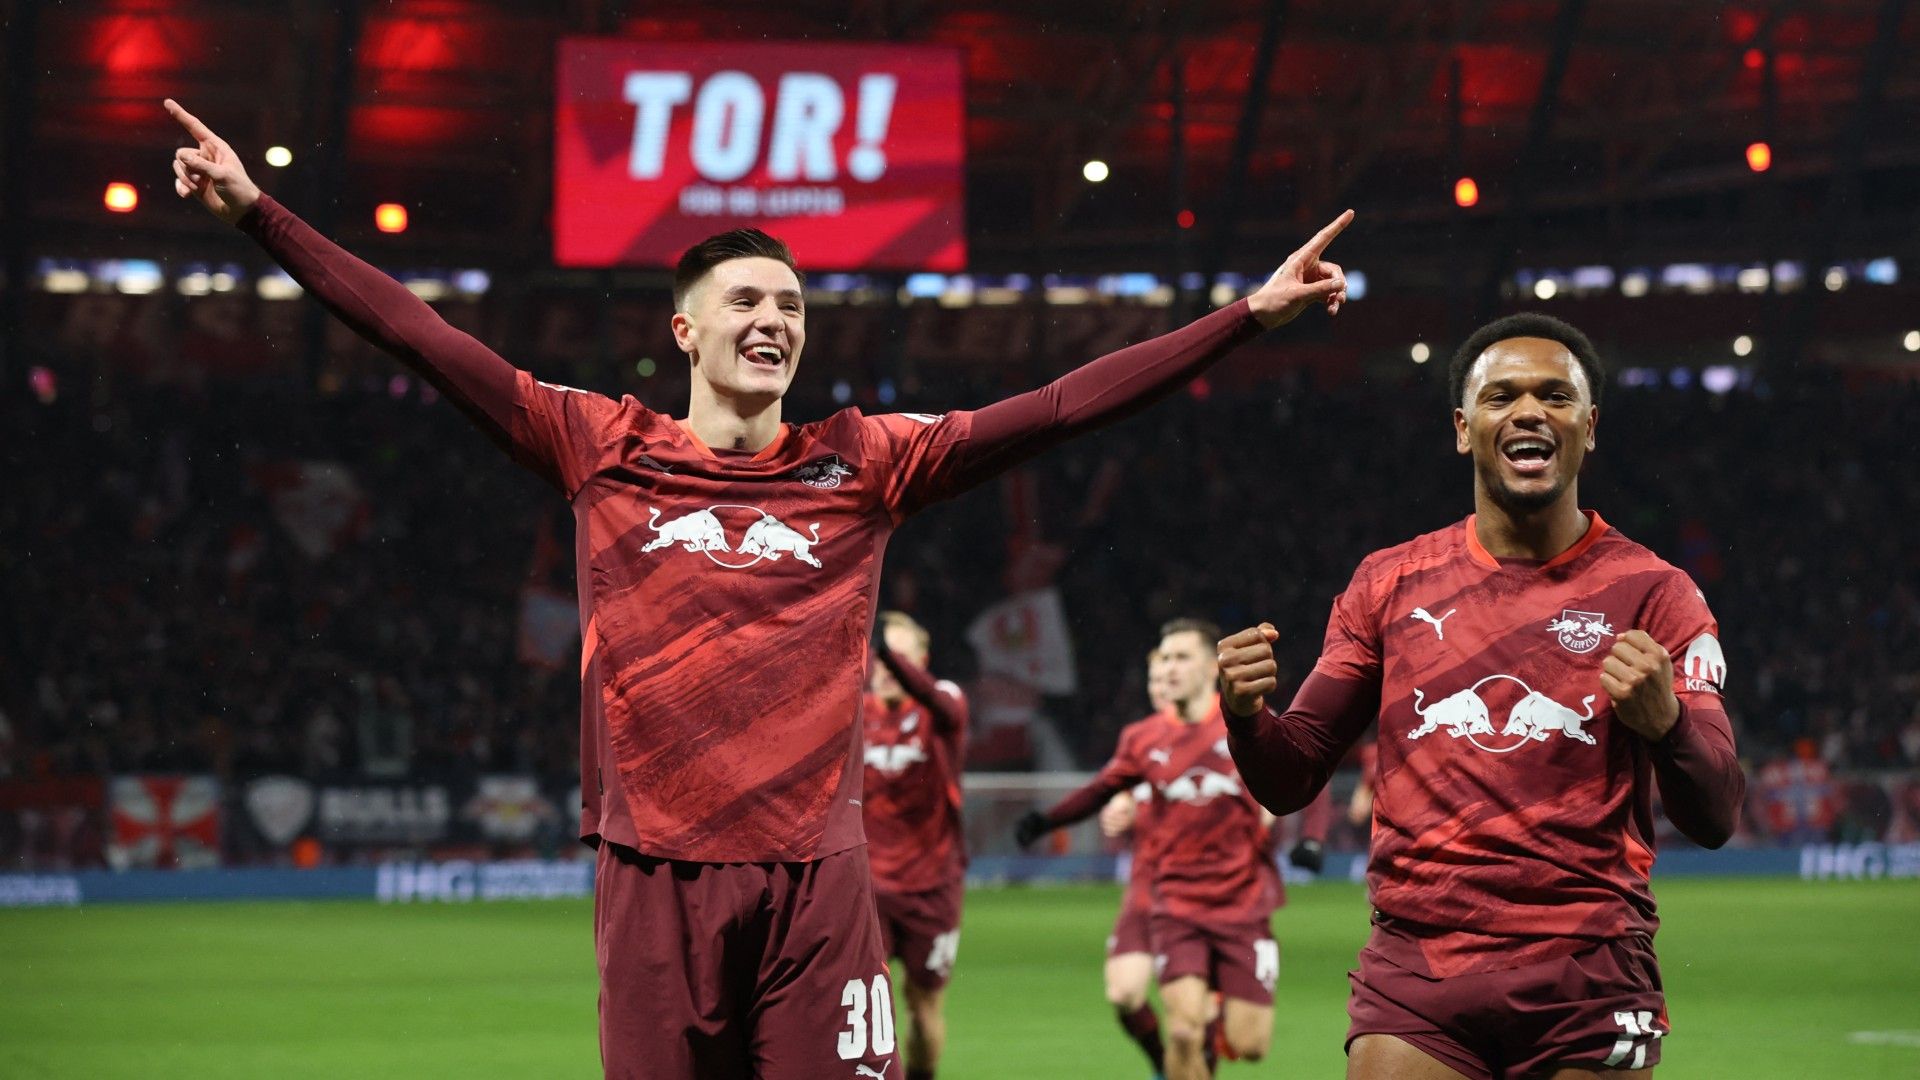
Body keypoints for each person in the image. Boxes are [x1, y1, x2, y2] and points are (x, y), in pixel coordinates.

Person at [164, 99, 1352, 1078]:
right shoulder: (599, 443)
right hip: (651, 876)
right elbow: (420, 336)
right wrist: (260, 216)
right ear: (685, 330)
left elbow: (1055, 409)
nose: (774, 319)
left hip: (822, 884)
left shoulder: (868, 461)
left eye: (790, 305)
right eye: (747, 302)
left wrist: (1245, 318)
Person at [1216, 312, 1746, 1080]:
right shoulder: (1389, 584)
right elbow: (1291, 775)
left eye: (1555, 397)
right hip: (1419, 973)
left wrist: (1667, 725)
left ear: (1588, 427)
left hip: (1588, 969)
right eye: (1502, 396)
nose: (1529, 411)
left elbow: (1718, 813)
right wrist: (1245, 717)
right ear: (1465, 429)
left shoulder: (1658, 596)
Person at [1017, 620, 1289, 1080]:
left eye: (1180, 658)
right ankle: (1175, 1054)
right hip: (1172, 901)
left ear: (1210, 666)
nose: (1168, 668)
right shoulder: (1143, 739)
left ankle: (1218, 1006)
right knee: (1179, 1028)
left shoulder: (1246, 724)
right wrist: (1047, 820)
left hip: (1240, 903)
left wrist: (1304, 837)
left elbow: (1299, 779)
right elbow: (1104, 788)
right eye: (1163, 659)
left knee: (1250, 1044)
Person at [862, 611, 969, 1080]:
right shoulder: (854, 712)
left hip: (933, 885)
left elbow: (938, 701)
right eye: (880, 656)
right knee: (866, 1010)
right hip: (867, 889)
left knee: (924, 1008)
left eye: (898, 655)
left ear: (921, 660)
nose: (885, 667)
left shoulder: (944, 703)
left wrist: (883, 647)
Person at [1097, 647, 1178, 1077]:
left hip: (1211, 894)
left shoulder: (1225, 734)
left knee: (1192, 1016)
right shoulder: (1140, 739)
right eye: (1155, 680)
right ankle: (1162, 1063)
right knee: (1125, 993)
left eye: (1170, 676)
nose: (1162, 687)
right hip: (1147, 889)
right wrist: (1118, 810)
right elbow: (1119, 795)